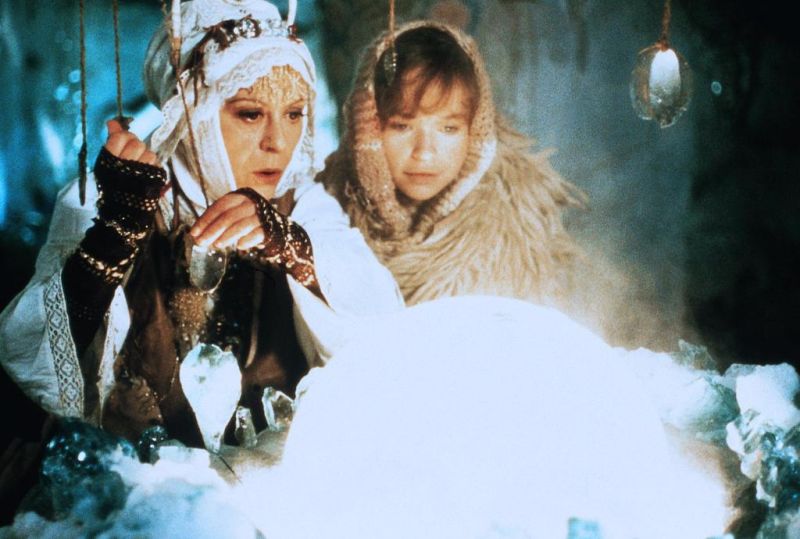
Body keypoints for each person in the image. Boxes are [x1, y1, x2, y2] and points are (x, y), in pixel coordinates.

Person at [0, 0, 401, 451]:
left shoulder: (302, 204)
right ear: (197, 111)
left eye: (293, 114)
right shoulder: (106, 197)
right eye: (250, 114)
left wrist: (289, 244)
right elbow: (32, 358)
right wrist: (116, 232)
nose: (277, 142)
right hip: (135, 478)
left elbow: (383, 329)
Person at [320, 22, 584, 307]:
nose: (424, 152)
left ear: (476, 131)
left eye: (448, 129)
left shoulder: (517, 235)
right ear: (367, 130)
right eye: (401, 126)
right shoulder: (323, 215)